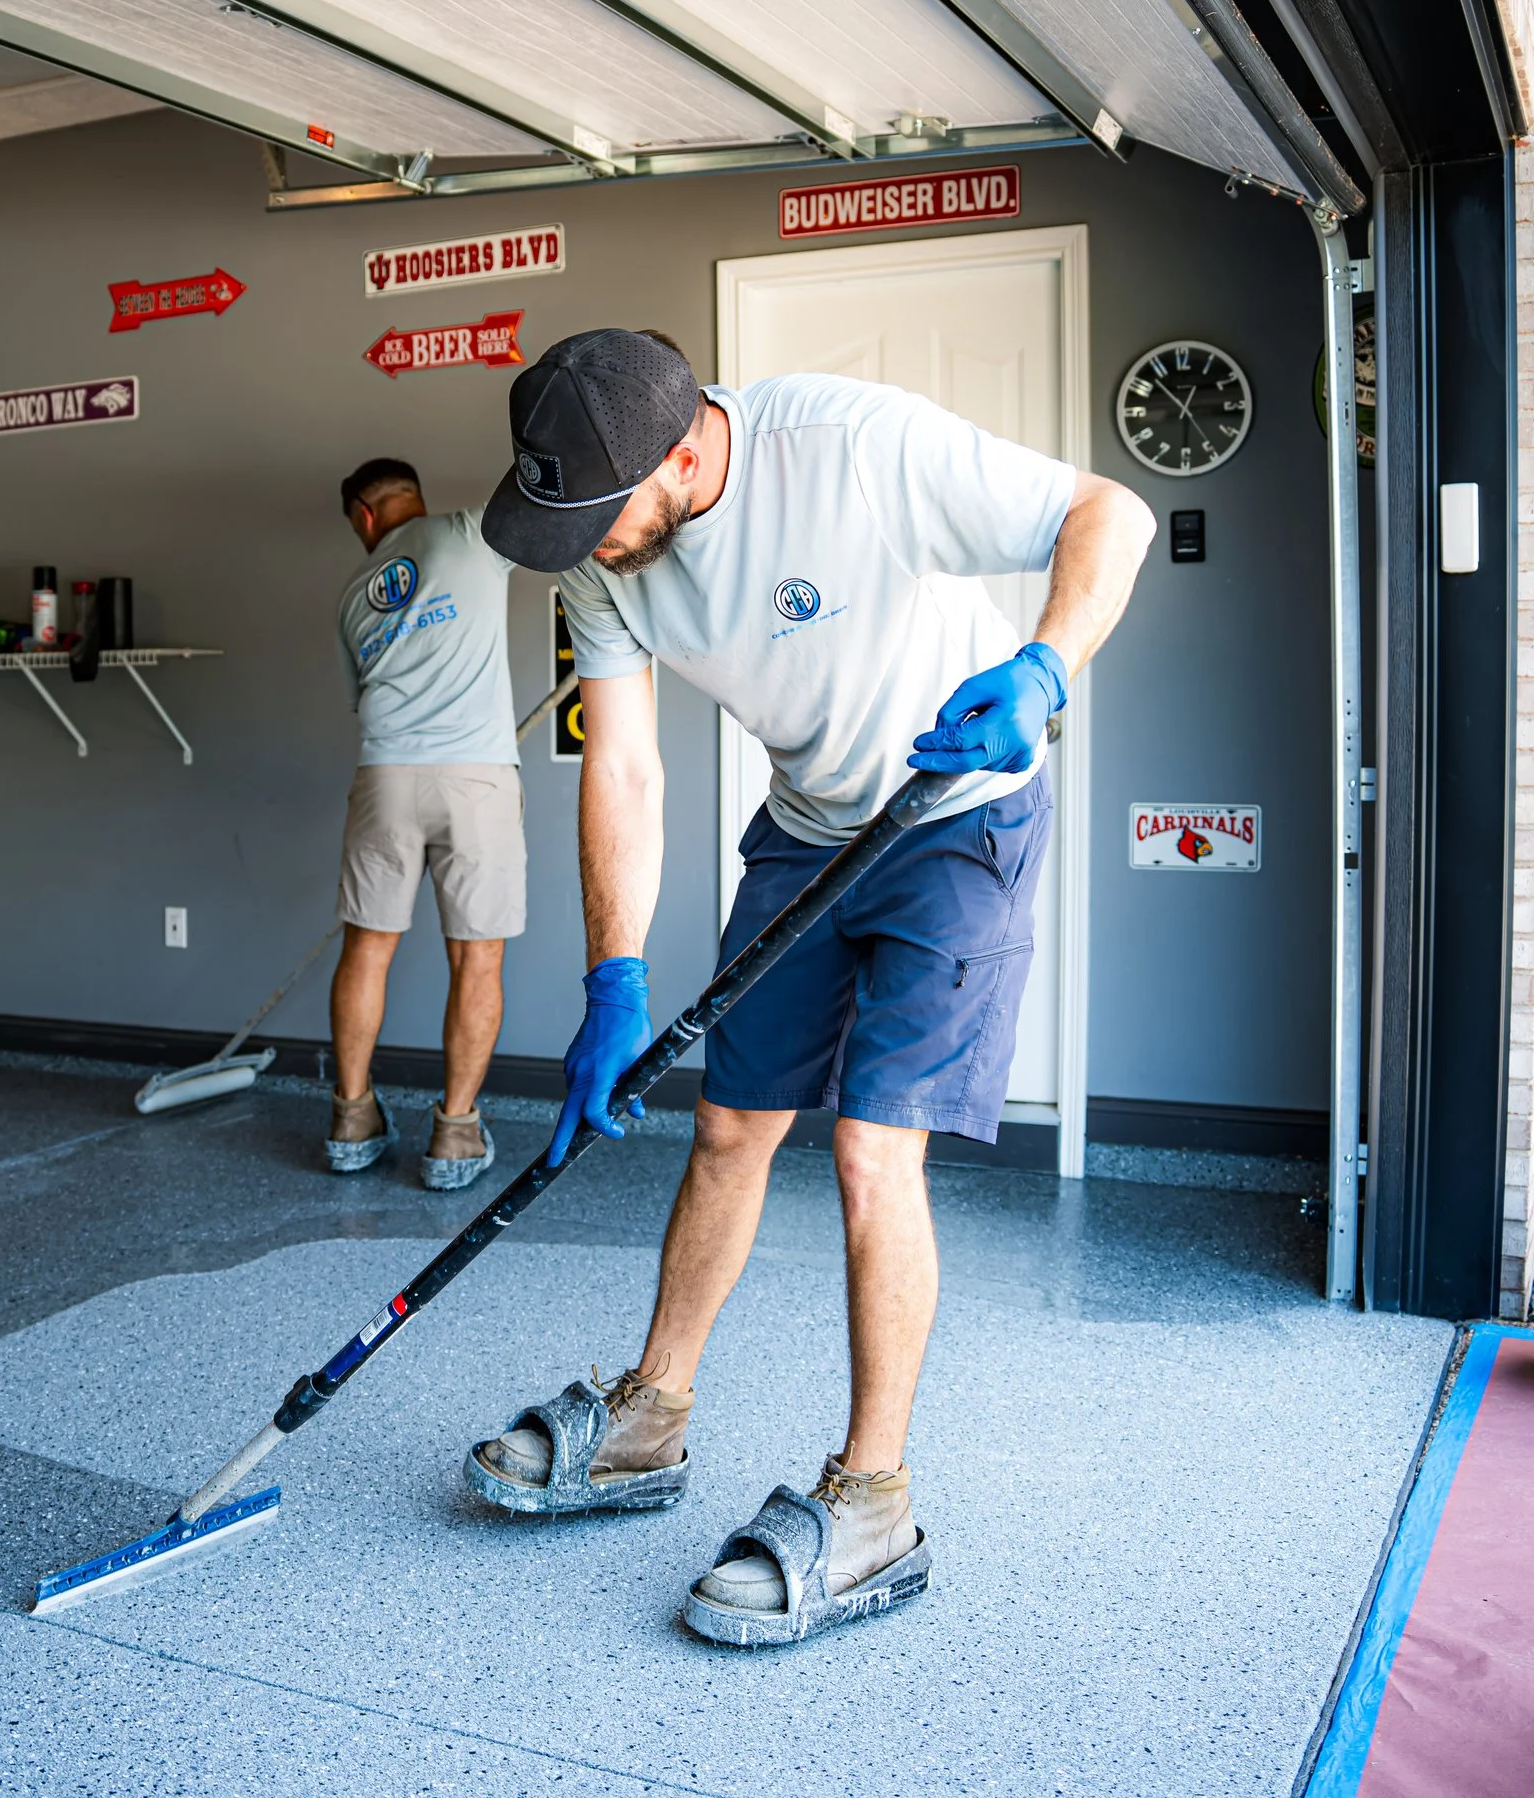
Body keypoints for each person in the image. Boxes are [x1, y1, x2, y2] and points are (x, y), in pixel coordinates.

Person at [464, 329, 1151, 1647]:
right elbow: (623, 767)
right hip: (810, 824)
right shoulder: (602, 553)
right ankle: (650, 1417)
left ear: (684, 455)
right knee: (725, 1124)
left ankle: (876, 1495)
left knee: (870, 1152)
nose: (592, 548)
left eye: (607, 519)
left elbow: (1104, 511)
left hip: (961, 813)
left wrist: (1044, 668)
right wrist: (613, 980)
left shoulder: (851, 447)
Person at [327, 457, 526, 1190]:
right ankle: (455, 1134)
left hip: (384, 774)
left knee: (367, 951)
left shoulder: (353, 593)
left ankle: (351, 1119)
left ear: (365, 515)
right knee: (477, 958)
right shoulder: (472, 532)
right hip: (475, 776)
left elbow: (364, 696)